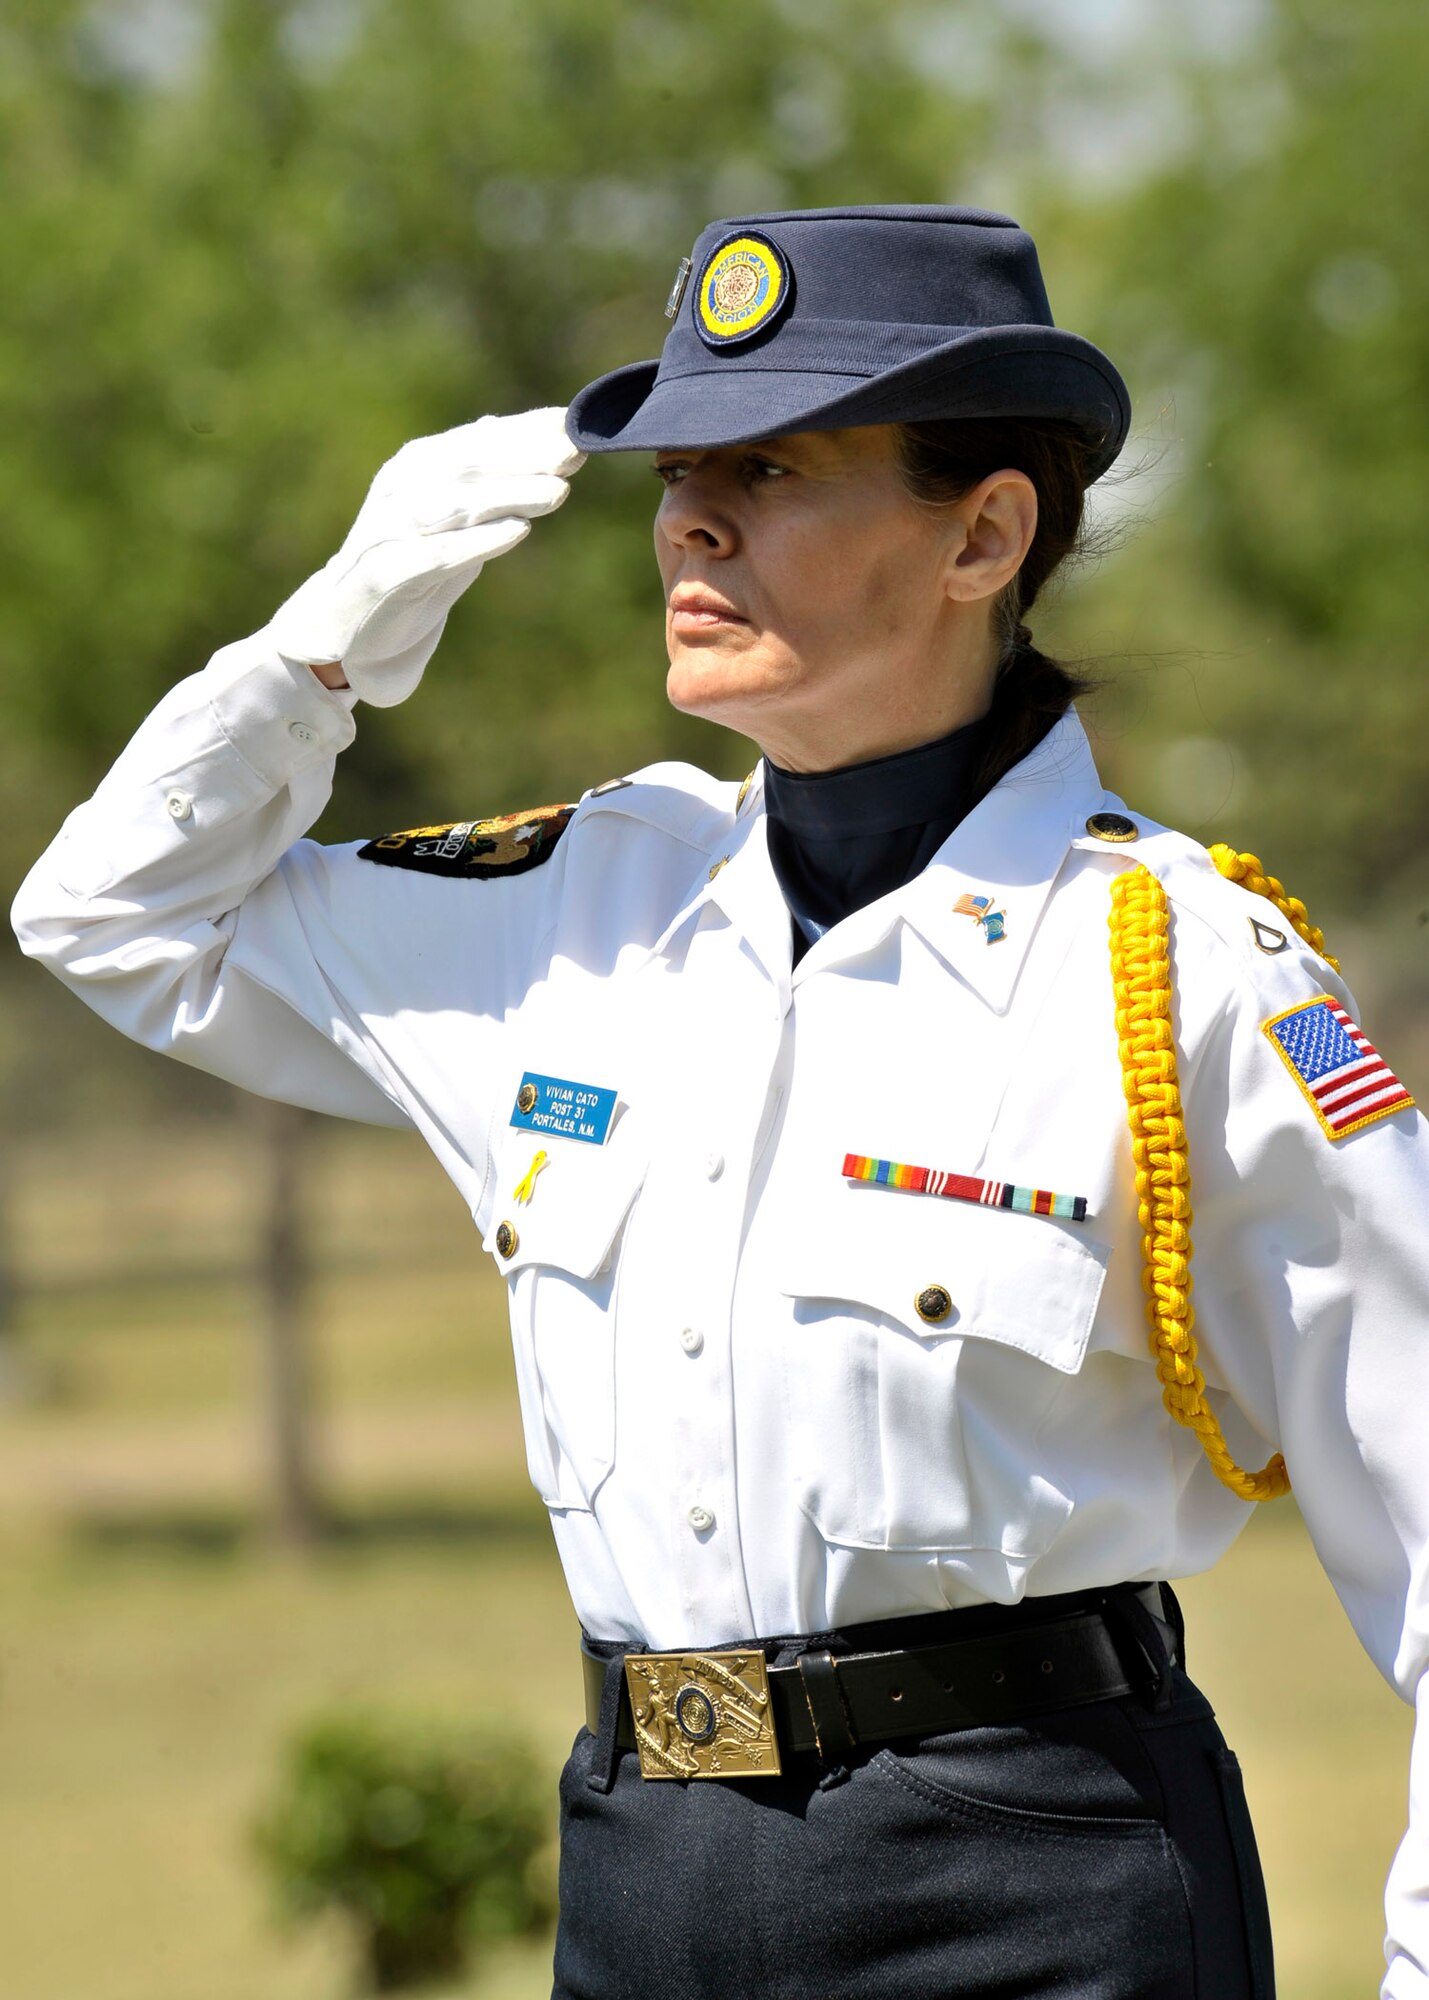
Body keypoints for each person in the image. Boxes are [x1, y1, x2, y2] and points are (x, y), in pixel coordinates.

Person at [12, 204, 1429, 1999]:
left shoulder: (1181, 978)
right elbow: (111, 918)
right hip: (644, 1864)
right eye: (680, 473)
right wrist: (318, 651)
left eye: (768, 465)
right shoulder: (573, 913)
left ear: (984, 532)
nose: (689, 517)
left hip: (1039, 1882)